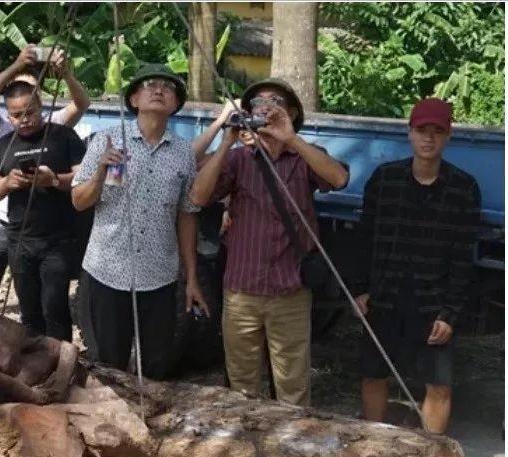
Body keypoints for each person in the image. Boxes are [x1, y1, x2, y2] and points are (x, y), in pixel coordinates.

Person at [191, 78, 349, 406]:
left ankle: (291, 452)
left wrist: (290, 138)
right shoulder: (238, 159)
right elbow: (198, 195)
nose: (265, 106)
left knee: (293, 386)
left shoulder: (303, 156)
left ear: (290, 111)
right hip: (242, 291)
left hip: (290, 290)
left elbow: (339, 178)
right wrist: (226, 142)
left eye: (274, 100)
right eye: (257, 102)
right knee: (242, 386)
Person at [352, 98, 480, 434]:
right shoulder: (384, 179)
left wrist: (450, 313)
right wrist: (359, 290)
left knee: (439, 385)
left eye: (438, 131)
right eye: (422, 130)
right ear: (409, 133)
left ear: (448, 136)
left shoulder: (463, 188)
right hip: (384, 296)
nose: (429, 138)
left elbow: (463, 257)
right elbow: (363, 239)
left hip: (433, 303)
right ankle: (373, 450)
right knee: (374, 374)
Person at [71, 64, 207, 380]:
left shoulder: (184, 153)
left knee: (157, 368)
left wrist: (191, 277)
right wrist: (102, 171)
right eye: (149, 84)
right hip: (107, 272)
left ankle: (148, 426)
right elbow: (79, 201)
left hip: (158, 277)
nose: (159, 90)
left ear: (175, 104)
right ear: (134, 99)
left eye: (168, 87)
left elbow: (187, 215)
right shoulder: (106, 140)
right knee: (107, 367)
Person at [0, 45, 90, 310]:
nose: (24, 119)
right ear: (9, 111)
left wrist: (67, 75)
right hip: (1, 219)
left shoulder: (53, 125)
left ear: (37, 101)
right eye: (16, 112)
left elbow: (82, 104)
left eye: (30, 107)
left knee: (44, 300)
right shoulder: (0, 130)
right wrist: (17, 65)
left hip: (40, 227)